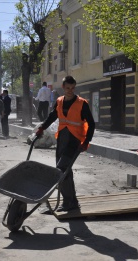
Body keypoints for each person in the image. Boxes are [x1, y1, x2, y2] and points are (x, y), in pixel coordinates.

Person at [36, 75, 95, 212]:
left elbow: (91, 124)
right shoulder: (59, 101)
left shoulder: (82, 103)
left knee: (62, 169)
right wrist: (42, 128)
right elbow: (52, 116)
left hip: (75, 140)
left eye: (73, 88)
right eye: (68, 88)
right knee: (62, 170)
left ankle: (68, 202)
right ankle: (70, 201)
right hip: (62, 138)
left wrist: (87, 141)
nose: (70, 90)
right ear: (63, 87)